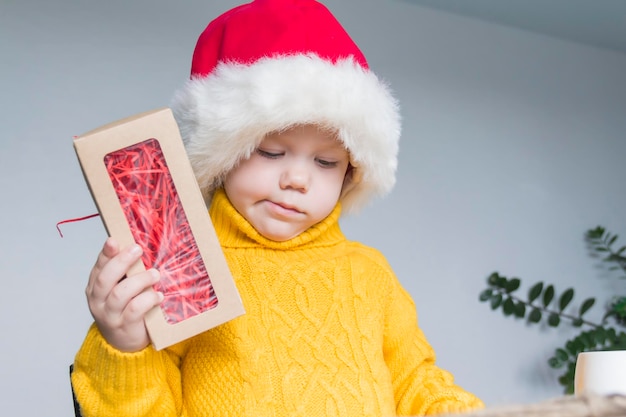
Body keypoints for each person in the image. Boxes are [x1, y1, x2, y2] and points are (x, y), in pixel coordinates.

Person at [71, 1, 484, 416]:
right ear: (221, 154)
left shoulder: (371, 274)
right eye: (270, 152)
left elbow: (416, 380)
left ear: (351, 173)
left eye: (326, 162)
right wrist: (125, 344)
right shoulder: (181, 269)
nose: (297, 179)